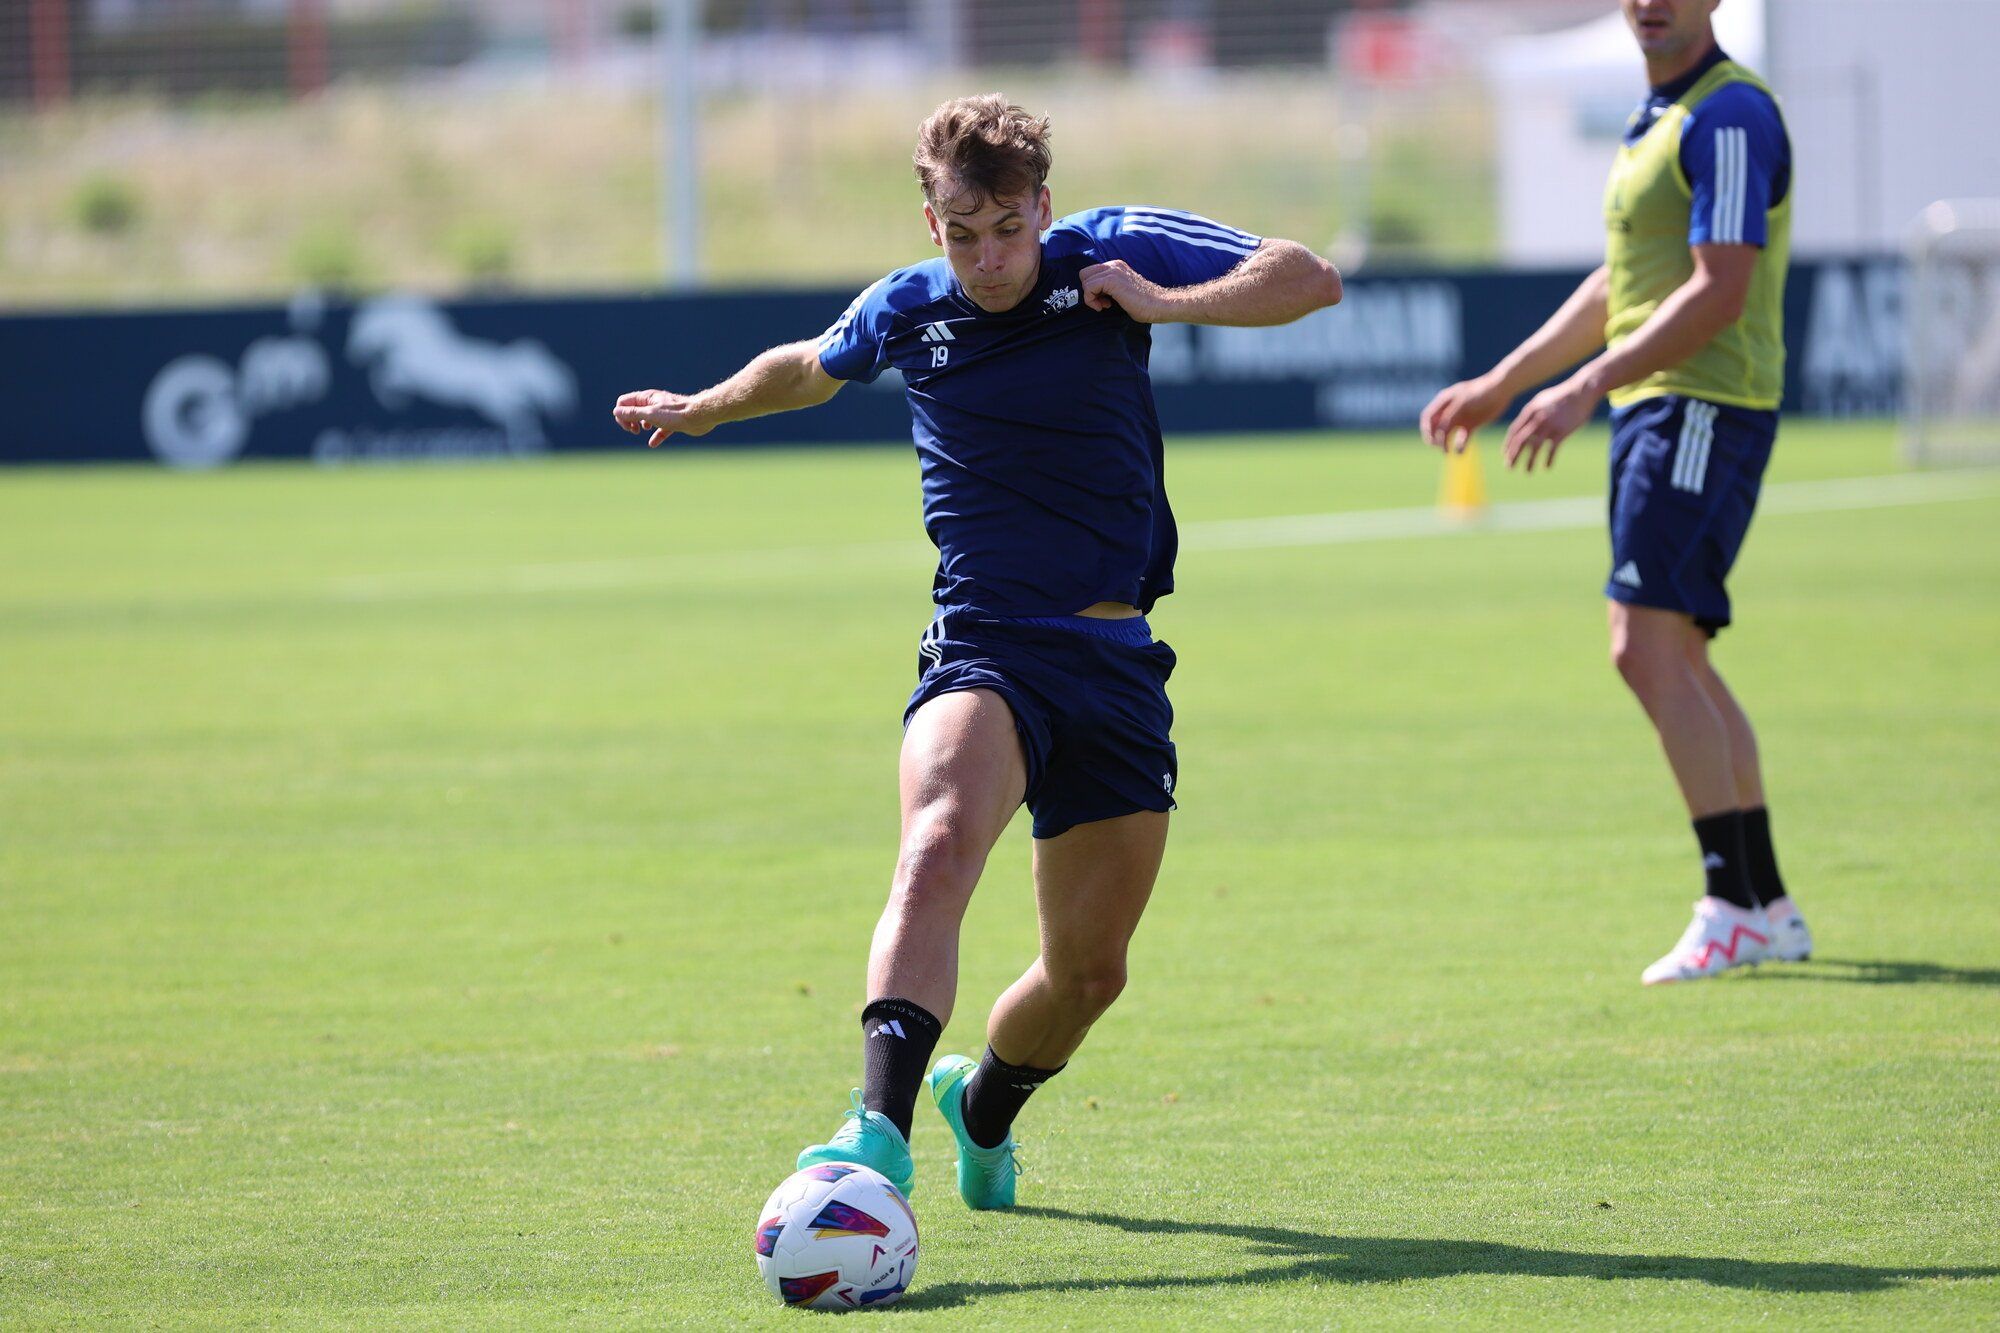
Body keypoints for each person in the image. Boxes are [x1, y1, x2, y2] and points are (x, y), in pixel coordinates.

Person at [614, 95, 1341, 1204]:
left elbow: (1305, 275)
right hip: (984, 644)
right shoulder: (908, 309)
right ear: (930, 222)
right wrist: (703, 407)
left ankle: (981, 1104)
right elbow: (809, 365)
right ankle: (875, 1130)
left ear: (1042, 206)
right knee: (938, 839)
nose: (989, 257)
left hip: (1114, 661)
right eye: (962, 234)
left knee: (1087, 973)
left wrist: (1158, 300)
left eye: (1008, 228)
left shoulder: (1107, 252)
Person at [1419, 0, 1811, 985]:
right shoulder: (1659, 117)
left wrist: (1584, 385)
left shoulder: (1728, 116)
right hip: (1663, 405)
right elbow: (1620, 284)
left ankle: (1728, 902)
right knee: (1671, 651)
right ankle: (1763, 903)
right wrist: (1502, 382)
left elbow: (1718, 287)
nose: (1648, 3)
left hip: (1700, 404)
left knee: (1641, 645)